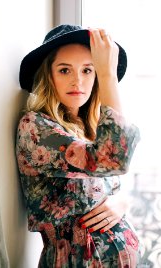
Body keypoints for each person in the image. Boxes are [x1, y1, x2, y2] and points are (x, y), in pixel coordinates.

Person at [16, 24, 141, 267]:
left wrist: (121, 201)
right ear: (47, 75)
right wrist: (108, 76)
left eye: (88, 70)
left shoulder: (89, 128)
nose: (78, 81)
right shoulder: (35, 126)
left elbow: (108, 178)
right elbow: (112, 159)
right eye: (65, 70)